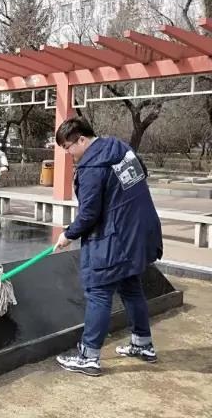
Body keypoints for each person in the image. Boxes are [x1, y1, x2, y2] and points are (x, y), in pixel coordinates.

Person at [53, 117, 163, 377]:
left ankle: (88, 356)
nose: (68, 154)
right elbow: (141, 173)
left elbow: (90, 212)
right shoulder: (120, 148)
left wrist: (68, 234)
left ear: (82, 139)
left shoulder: (93, 166)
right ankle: (142, 344)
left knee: (99, 291)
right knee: (130, 286)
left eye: (68, 147)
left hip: (114, 237)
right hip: (137, 231)